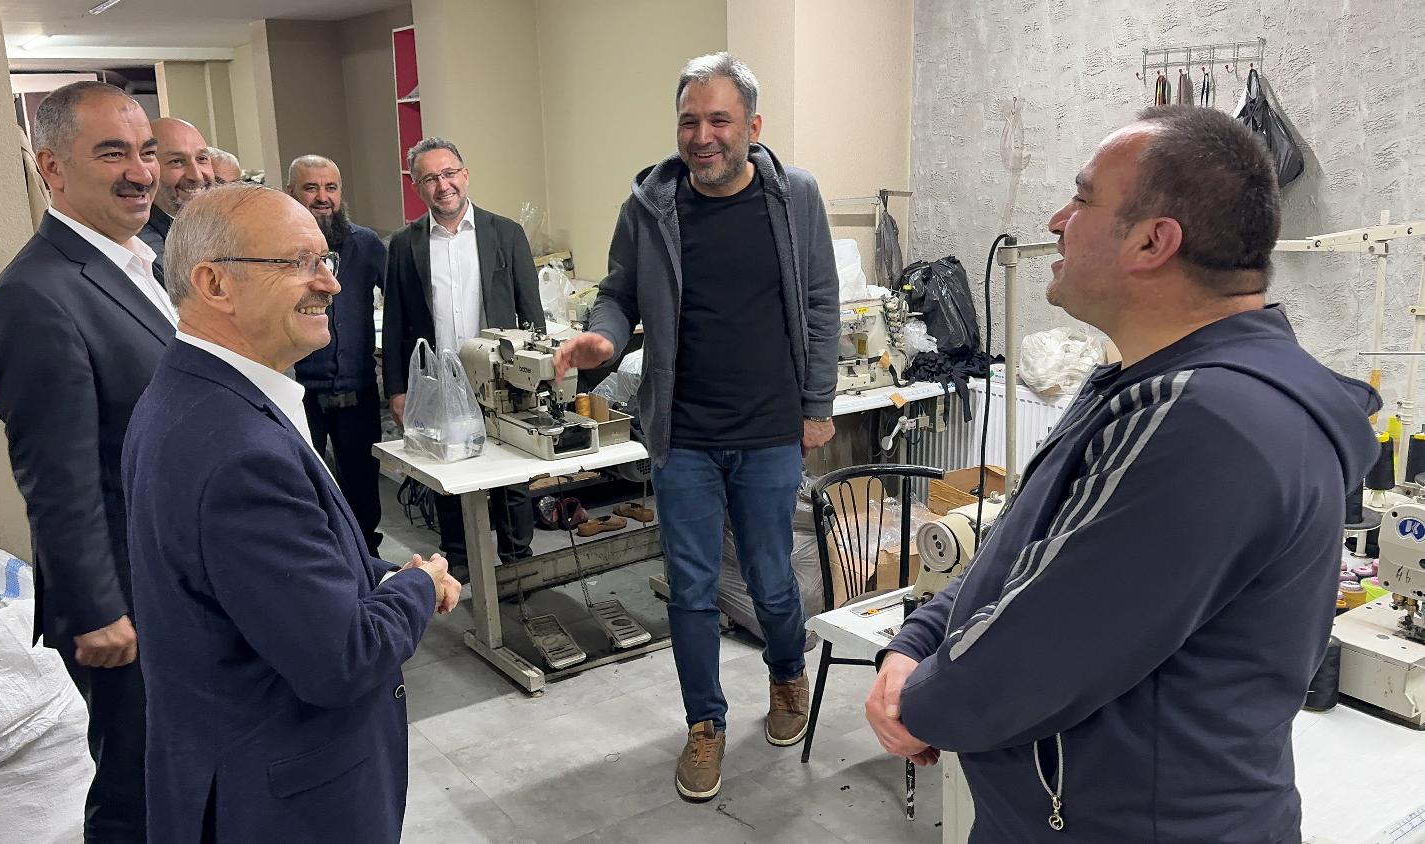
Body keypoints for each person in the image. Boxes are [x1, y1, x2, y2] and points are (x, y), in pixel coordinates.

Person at [865, 106, 1380, 841]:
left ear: (1151, 241)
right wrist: (914, 643)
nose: (1056, 221)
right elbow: (1019, 554)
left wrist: (919, 703)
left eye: (1081, 198)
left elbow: (1035, 651)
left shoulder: (1209, 422)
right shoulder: (1142, 387)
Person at [122, 182, 461, 843]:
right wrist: (421, 585)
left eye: (325, 261)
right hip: (282, 799)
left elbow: (273, 577)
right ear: (214, 283)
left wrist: (384, 577)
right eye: (298, 263)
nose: (330, 284)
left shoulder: (191, 394)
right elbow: (345, 658)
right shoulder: (239, 451)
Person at [554, 52, 840, 802]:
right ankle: (704, 723)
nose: (702, 136)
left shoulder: (795, 197)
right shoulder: (649, 207)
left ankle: (787, 674)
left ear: (753, 126)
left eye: (719, 120)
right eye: (689, 121)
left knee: (772, 579)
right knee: (691, 588)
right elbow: (618, 292)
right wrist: (604, 337)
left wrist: (817, 406)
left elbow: (820, 302)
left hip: (770, 430)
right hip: (682, 435)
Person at [0, 80, 176, 842]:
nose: (141, 172)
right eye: (113, 154)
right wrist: (96, 608)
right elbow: (55, 477)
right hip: (122, 598)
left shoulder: (143, 262)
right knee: (137, 784)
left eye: (146, 151)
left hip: (171, 572)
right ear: (51, 168)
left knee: (180, 766)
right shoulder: (35, 295)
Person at [381, 137, 542, 579]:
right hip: (438, 383)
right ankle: (460, 561)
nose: (443, 185)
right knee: (447, 474)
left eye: (449, 173)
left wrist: (537, 376)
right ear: (417, 187)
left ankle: (517, 560)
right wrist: (397, 389)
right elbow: (394, 322)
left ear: (465, 175)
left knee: (511, 472)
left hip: (501, 378)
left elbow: (531, 312)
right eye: (430, 178)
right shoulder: (404, 245)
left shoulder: (505, 233)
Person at [286, 154, 387, 556]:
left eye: (331, 187)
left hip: (357, 390)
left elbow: (400, 306)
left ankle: (368, 559)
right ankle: (322, 560)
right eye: (311, 187)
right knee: (303, 487)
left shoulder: (367, 245)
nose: (322, 197)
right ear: (291, 192)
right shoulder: (276, 249)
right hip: (299, 393)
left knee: (362, 486)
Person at [137, 117, 213, 284]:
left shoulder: (222, 227)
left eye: (202, 159)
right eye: (177, 161)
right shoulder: (145, 247)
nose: (196, 175)